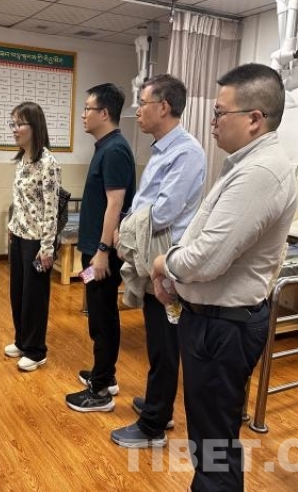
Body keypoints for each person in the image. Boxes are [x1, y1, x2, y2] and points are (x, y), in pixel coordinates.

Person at [151, 63, 297, 492]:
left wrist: (164, 264)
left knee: (214, 441)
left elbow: (206, 258)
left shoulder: (260, 173)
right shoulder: (244, 164)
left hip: (224, 327)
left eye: (219, 113)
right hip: (212, 320)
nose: (212, 122)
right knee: (210, 436)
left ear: (254, 119)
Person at [110, 74, 206, 447]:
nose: (138, 111)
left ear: (163, 107)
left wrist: (125, 228)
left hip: (167, 260)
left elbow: (163, 212)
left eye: (144, 103)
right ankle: (158, 406)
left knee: (165, 344)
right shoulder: (162, 149)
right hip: (152, 253)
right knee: (157, 339)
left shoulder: (187, 153)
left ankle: (153, 425)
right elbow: (145, 203)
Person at [65, 83, 136, 412]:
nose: (83, 115)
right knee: (97, 314)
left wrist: (103, 251)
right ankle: (103, 374)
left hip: (102, 252)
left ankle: (102, 390)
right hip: (94, 249)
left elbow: (116, 204)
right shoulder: (104, 147)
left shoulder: (116, 150)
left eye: (88, 109)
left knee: (104, 317)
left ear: (104, 113)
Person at [5, 102, 61, 372]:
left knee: (34, 298)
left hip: (37, 241)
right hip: (18, 236)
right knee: (17, 293)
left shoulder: (47, 162)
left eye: (20, 124)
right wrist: (12, 226)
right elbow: (21, 201)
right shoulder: (23, 160)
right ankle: (22, 340)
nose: (15, 129)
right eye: (13, 123)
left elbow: (51, 208)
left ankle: (36, 350)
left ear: (35, 126)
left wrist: (47, 247)